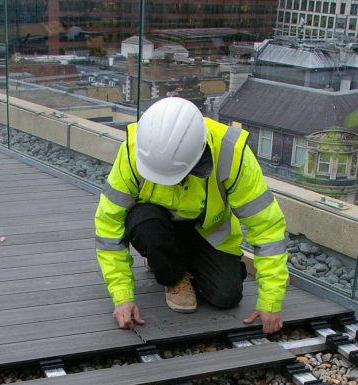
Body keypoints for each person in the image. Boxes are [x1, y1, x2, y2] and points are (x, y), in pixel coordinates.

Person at [94, 97, 289, 334]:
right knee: (149, 228)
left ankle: (169, 258)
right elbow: (108, 225)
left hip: (205, 231)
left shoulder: (231, 154)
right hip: (154, 224)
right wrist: (122, 295)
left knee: (226, 295)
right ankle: (171, 272)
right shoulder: (137, 149)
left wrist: (270, 301)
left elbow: (267, 228)